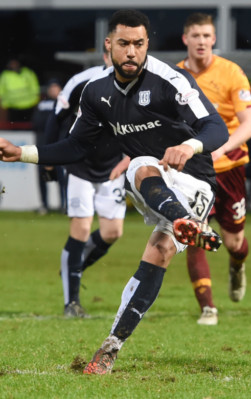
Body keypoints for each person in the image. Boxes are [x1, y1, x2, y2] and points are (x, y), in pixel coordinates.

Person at [0, 9, 230, 375]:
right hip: (159, 184)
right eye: (123, 44)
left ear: (147, 45)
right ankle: (110, 346)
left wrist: (190, 148)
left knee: (152, 221)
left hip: (196, 181)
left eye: (139, 44)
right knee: (141, 184)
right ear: (109, 46)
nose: (131, 52)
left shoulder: (172, 80)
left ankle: (111, 345)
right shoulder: (96, 93)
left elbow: (217, 128)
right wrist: (23, 153)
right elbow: (76, 146)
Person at [177, 12, 251, 326]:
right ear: (186, 39)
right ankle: (208, 307)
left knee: (234, 241)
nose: (201, 41)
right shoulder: (175, 76)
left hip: (231, 165)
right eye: (195, 35)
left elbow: (249, 123)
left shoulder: (231, 73)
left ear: (214, 39)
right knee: (194, 231)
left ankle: (237, 265)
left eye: (206, 36)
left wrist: (221, 147)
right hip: (194, 168)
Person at [46, 50, 130, 318]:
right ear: (106, 53)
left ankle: (74, 265)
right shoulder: (83, 81)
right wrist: (49, 158)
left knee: (112, 232)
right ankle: (72, 302)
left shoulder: (137, 86)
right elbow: (56, 117)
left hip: (113, 167)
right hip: (80, 165)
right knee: (80, 230)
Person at [30, 79, 65, 214]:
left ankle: (64, 205)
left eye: (56, 88)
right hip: (43, 149)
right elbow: (37, 123)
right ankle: (44, 205)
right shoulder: (42, 105)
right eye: (51, 88)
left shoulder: (64, 104)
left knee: (61, 177)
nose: (53, 90)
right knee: (44, 176)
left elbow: (65, 124)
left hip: (59, 148)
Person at [0, 58, 40, 124]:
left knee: (28, 126)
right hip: (12, 106)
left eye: (15, 63)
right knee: (14, 126)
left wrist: (35, 101)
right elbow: (1, 90)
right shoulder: (5, 75)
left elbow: (35, 88)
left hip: (29, 105)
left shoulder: (28, 73)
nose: (14, 65)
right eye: (12, 63)